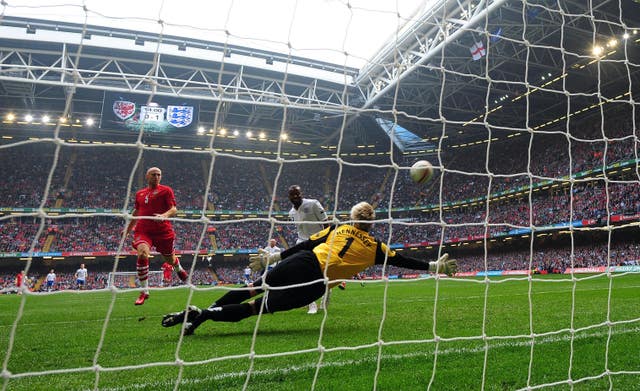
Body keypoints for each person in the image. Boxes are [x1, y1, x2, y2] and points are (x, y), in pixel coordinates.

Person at [161, 201, 457, 336]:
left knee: (250, 288)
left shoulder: (337, 229)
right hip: (316, 283)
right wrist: (433, 265)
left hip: (301, 262)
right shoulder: (377, 248)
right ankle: (201, 315)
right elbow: (403, 261)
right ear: (372, 223)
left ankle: (199, 317)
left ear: (353, 219)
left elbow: (304, 245)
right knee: (255, 308)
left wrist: (276, 258)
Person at [124, 167, 189, 305]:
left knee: (170, 259)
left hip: (162, 231)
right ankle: (144, 291)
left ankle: (178, 267)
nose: (156, 177)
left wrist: (164, 215)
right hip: (143, 230)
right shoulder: (140, 194)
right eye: (154, 174)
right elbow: (137, 211)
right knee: (142, 254)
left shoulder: (166, 190)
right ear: (147, 176)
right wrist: (128, 229)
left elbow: (174, 209)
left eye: (159, 174)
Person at [287, 185, 330, 314]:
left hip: (318, 241)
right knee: (301, 273)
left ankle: (326, 295)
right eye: (292, 194)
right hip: (302, 243)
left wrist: (326, 239)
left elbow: (326, 222)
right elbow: (299, 229)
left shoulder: (313, 204)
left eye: (297, 194)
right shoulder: (291, 213)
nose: (295, 196)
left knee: (324, 273)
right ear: (289, 197)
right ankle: (311, 304)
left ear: (301, 194)